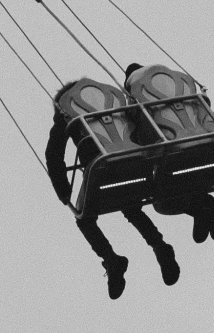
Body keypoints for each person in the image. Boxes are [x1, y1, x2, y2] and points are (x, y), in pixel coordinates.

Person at [45, 101, 180, 299]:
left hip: (101, 169)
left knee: (84, 219)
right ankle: (160, 246)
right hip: (134, 162)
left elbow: (53, 153)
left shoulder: (67, 111)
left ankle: (111, 260)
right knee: (131, 206)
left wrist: (63, 192)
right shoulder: (111, 102)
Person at [123, 65, 214, 245]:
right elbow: (207, 115)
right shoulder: (186, 90)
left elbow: (142, 138)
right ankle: (205, 208)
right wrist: (211, 138)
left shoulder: (139, 101)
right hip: (208, 147)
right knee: (191, 176)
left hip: (173, 152)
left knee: (163, 202)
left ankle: (202, 209)